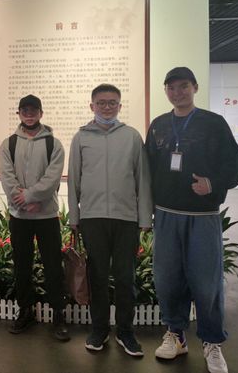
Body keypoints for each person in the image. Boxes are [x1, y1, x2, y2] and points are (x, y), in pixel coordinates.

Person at [146, 67, 238, 373]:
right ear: (166, 91)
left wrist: (212, 184)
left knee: (206, 283)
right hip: (166, 214)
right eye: (171, 87)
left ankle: (212, 342)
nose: (177, 92)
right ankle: (175, 335)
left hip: (202, 216)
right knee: (168, 280)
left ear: (195, 87)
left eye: (183, 86)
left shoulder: (213, 123)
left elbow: (236, 165)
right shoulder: (159, 125)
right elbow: (147, 169)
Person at [67, 84, 152, 356]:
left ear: (119, 106)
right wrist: (74, 216)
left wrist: (144, 217)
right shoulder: (81, 137)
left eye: (112, 102)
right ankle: (99, 329)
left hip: (125, 218)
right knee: (98, 276)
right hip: (92, 218)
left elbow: (142, 178)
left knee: (126, 277)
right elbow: (73, 180)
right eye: (101, 102)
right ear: (92, 106)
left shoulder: (132, 136)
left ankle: (126, 332)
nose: (107, 107)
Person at [0, 94, 70, 341]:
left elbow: (52, 178)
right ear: (19, 113)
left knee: (53, 266)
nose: (29, 114)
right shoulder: (8, 144)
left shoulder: (54, 144)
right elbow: (7, 178)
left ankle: (58, 314)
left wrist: (30, 197)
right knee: (22, 266)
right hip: (19, 216)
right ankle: (25, 311)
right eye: (24, 110)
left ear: (41, 113)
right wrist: (23, 201)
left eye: (33, 110)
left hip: (46, 215)